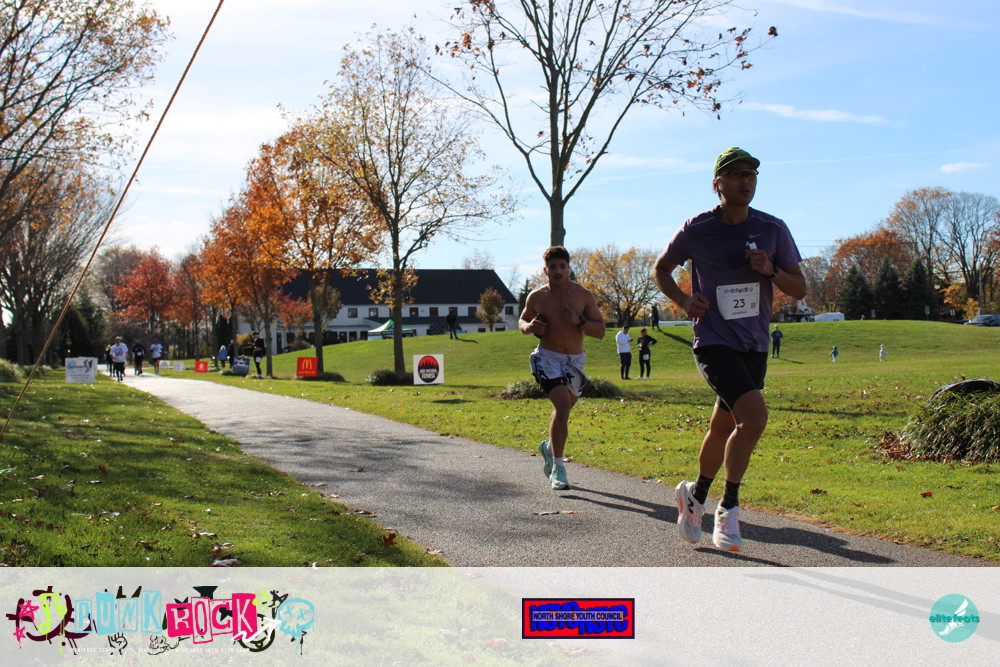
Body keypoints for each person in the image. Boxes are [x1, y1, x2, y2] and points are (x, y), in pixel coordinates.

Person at [652, 147, 806, 552]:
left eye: (751, 174)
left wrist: (771, 270)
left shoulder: (773, 229)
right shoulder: (697, 229)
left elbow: (799, 287)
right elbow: (660, 269)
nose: (745, 181)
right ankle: (729, 508)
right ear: (717, 183)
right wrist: (684, 301)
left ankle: (695, 496)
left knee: (724, 427)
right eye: (736, 174)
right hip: (713, 341)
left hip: (753, 344)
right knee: (753, 419)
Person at [520, 246, 605, 490]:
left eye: (562, 266)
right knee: (563, 406)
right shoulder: (537, 297)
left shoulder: (583, 295)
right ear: (545, 270)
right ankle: (558, 468)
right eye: (553, 267)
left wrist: (579, 321)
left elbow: (600, 331)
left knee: (564, 410)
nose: (558, 271)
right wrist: (529, 327)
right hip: (547, 358)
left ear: (569, 268)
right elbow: (522, 320)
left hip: (575, 362)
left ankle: (549, 448)